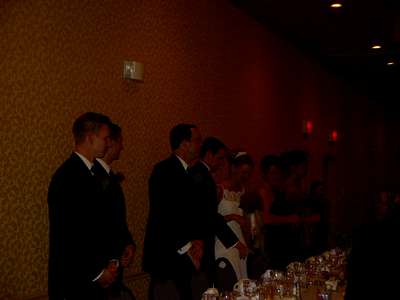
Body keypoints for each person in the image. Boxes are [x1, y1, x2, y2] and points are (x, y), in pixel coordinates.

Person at [48, 112, 119, 300]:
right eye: (105, 138)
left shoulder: (95, 174)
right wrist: (97, 271)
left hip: (95, 278)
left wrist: (110, 261)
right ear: (90, 138)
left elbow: (102, 225)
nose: (109, 143)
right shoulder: (68, 176)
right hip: (75, 282)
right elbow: (70, 233)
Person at [142, 124, 203, 300]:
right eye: (197, 140)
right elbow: (164, 214)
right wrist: (188, 245)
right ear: (184, 144)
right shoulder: (163, 170)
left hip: (185, 254)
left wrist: (197, 239)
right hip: (167, 255)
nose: (200, 144)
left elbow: (192, 213)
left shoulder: (189, 172)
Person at [189, 138, 248, 293]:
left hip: (210, 239)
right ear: (209, 155)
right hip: (206, 241)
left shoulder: (198, 173)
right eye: (219, 158)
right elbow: (210, 215)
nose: (221, 163)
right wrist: (236, 243)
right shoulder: (202, 176)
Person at [93, 123, 136, 300]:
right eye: (120, 142)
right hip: (101, 270)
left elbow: (118, 221)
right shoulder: (93, 176)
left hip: (115, 267)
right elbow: (96, 225)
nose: (122, 147)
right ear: (110, 143)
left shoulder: (108, 176)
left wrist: (127, 244)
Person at [345, 194, 400, 299]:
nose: (380, 206)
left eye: (384, 204)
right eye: (378, 202)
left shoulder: (391, 231)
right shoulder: (364, 228)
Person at [215, 151, 254, 289]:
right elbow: (210, 220)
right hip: (224, 243)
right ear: (233, 168)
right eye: (243, 172)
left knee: (243, 284)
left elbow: (246, 220)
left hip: (241, 243)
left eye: (248, 173)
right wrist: (232, 217)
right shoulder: (220, 189)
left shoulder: (243, 191)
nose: (246, 176)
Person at [259, 155, 301, 270]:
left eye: (278, 173)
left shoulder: (277, 190)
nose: (276, 176)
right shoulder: (264, 191)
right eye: (273, 173)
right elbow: (266, 219)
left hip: (284, 243)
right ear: (265, 175)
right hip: (273, 244)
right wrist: (290, 219)